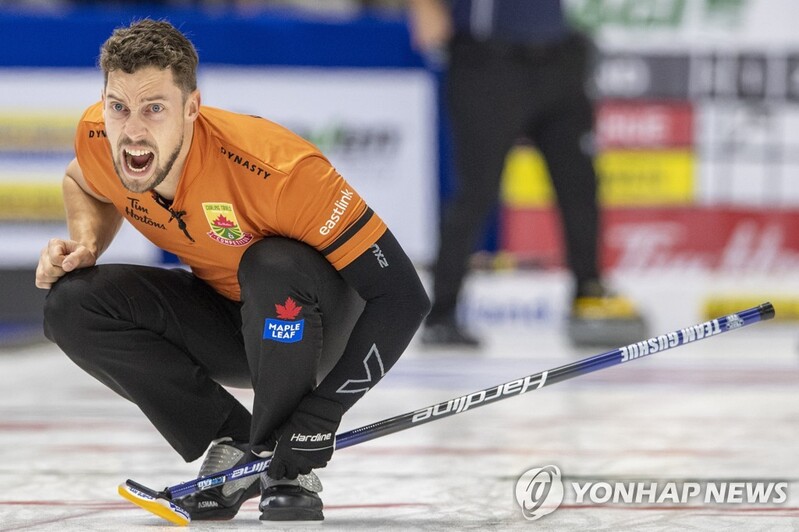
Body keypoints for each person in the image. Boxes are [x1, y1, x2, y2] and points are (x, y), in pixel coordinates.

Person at [35, 18, 430, 523]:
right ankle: (240, 441)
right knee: (71, 303)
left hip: (314, 326)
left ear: (192, 108)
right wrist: (87, 243)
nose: (132, 131)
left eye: (154, 108)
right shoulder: (99, 136)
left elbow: (402, 297)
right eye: (119, 107)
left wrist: (324, 412)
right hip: (231, 319)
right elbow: (83, 182)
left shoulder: (281, 174)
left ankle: (288, 468)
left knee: (271, 263)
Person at [407, 0, 647, 348]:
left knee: (580, 183)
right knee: (476, 192)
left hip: (557, 56)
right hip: (490, 61)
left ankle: (589, 295)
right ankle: (442, 313)